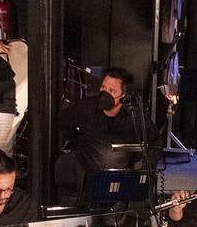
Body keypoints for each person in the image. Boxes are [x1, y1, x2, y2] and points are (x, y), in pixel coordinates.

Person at [54, 67, 158, 195]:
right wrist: (77, 141)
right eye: (103, 87)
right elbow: (63, 123)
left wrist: (143, 169)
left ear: (124, 96)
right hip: (85, 179)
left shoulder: (135, 116)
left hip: (118, 182)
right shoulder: (85, 107)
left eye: (111, 90)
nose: (105, 93)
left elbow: (155, 143)